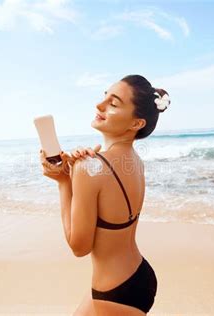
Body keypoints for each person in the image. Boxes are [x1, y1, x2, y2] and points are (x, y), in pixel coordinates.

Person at [40, 74, 170, 315]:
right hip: (138, 275)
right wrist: (75, 174)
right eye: (104, 97)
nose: (99, 106)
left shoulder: (89, 167)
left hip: (114, 293)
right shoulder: (135, 162)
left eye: (114, 103)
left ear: (136, 124)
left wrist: (63, 183)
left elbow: (79, 247)